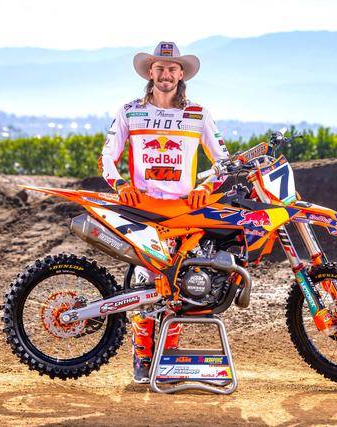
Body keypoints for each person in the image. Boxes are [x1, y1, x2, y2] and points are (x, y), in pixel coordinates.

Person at [98, 41, 229, 383]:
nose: (166, 74)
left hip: (184, 212)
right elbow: (106, 156)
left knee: (179, 288)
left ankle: (168, 359)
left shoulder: (198, 114)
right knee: (145, 284)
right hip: (143, 211)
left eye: (172, 68)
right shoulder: (130, 111)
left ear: (181, 74)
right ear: (150, 73)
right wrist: (119, 184)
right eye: (159, 68)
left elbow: (223, 162)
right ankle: (143, 359)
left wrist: (205, 187)